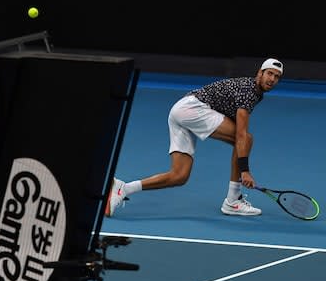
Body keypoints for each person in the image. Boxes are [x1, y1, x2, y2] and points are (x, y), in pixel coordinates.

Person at [105, 58, 284, 218]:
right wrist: (244, 171)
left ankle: (124, 188)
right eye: (269, 74)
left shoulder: (253, 91)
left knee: (179, 176)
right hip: (193, 109)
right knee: (246, 140)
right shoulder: (249, 91)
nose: (272, 79)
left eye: (277, 77)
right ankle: (232, 200)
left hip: (180, 110)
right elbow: (241, 134)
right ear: (259, 73)